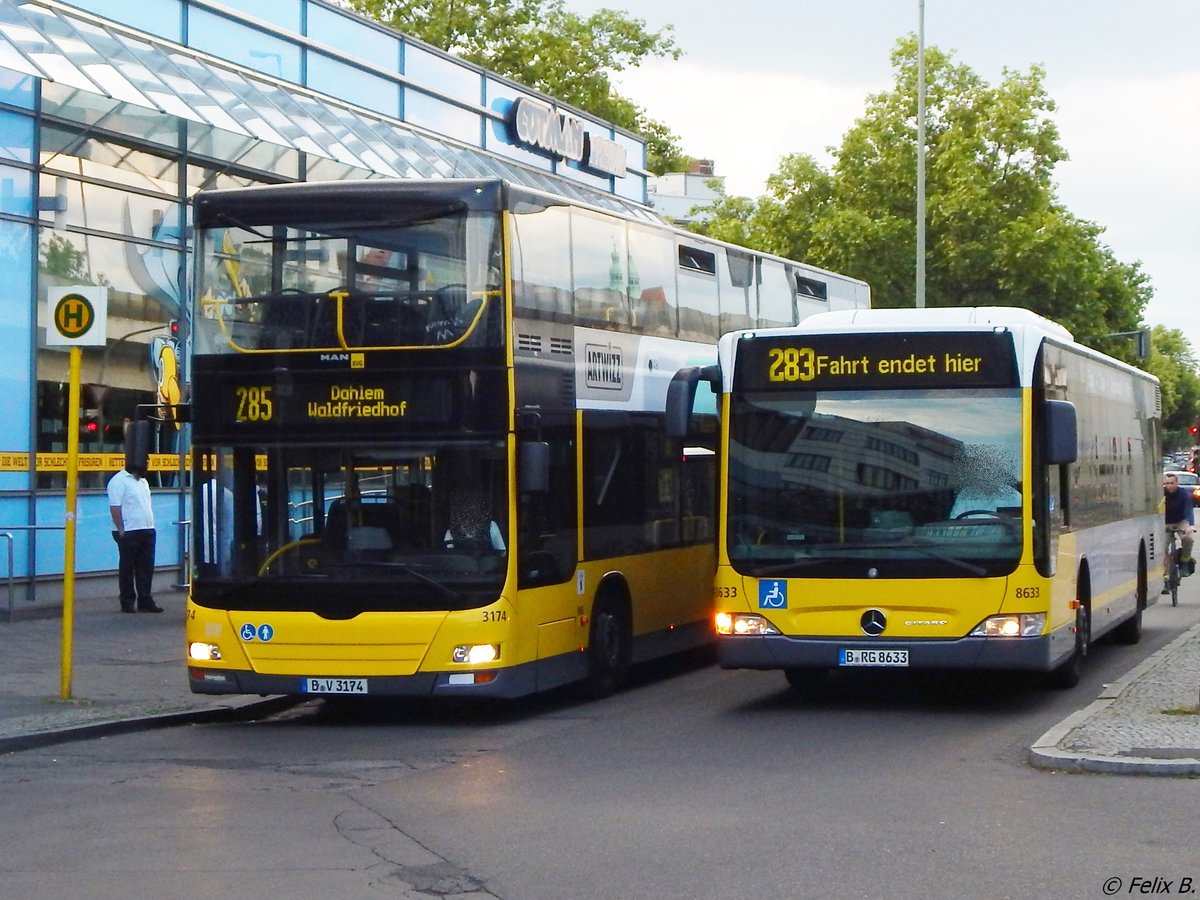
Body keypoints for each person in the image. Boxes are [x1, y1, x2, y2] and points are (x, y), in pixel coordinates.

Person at [107, 462, 162, 613]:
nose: (148, 468)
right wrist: (121, 530)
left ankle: (145, 599)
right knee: (127, 567)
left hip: (147, 528)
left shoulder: (143, 482)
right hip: (130, 530)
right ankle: (127, 600)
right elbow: (115, 507)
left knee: (146, 567)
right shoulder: (118, 481)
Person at [1163, 472, 1195, 593]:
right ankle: (1165, 578)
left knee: (1188, 538)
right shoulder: (1162, 494)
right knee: (1162, 547)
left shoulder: (1183, 494)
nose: (1169, 486)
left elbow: (1188, 509)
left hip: (1181, 521)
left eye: (1171, 483)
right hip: (1166, 522)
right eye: (1166, 483)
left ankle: (1185, 561)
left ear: (1177, 483)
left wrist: (1190, 526)